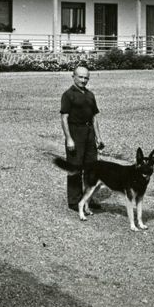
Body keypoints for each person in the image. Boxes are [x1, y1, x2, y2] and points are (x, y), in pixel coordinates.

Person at [60, 65, 104, 210]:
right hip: (75, 132)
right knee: (75, 168)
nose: (83, 80)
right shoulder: (68, 95)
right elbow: (64, 118)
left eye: (86, 78)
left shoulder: (90, 95)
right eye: (80, 77)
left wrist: (98, 137)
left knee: (92, 169)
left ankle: (87, 199)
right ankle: (74, 200)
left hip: (89, 133)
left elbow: (94, 117)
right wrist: (69, 139)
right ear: (73, 76)